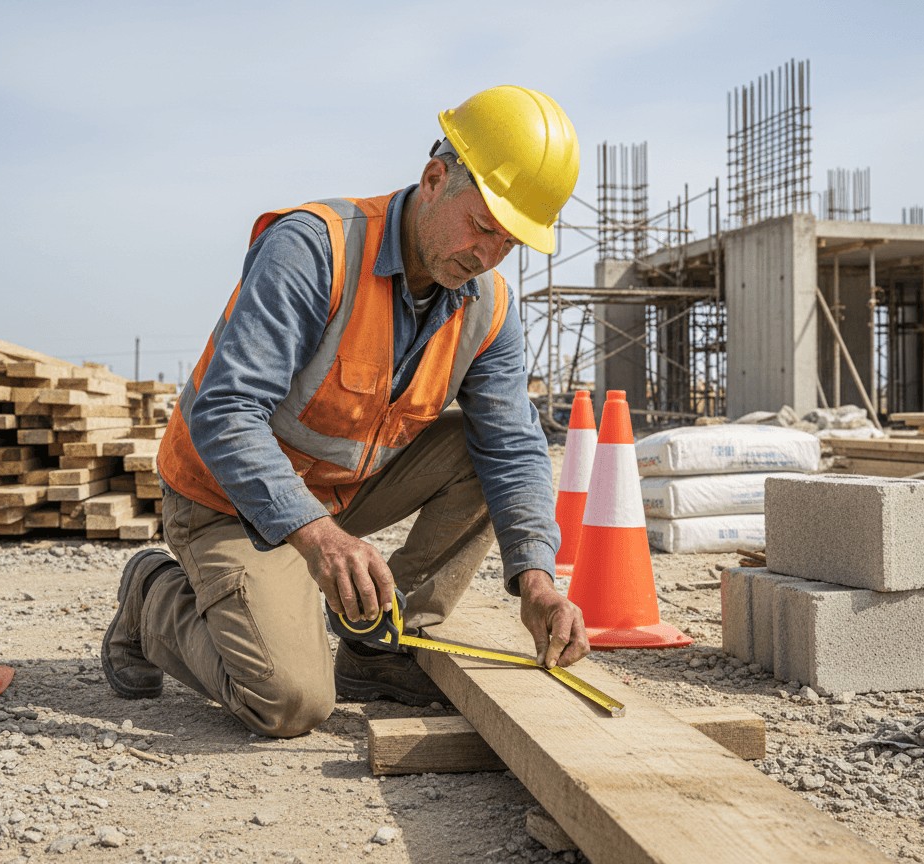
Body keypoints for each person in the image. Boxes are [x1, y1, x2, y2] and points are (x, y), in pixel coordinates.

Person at [101, 85, 588, 738]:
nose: (487, 255)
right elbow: (224, 411)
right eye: (481, 227)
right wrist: (319, 539)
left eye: (509, 243)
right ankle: (152, 596)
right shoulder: (314, 250)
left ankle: (376, 649)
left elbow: (512, 449)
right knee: (290, 701)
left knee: (483, 450)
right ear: (435, 178)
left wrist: (538, 579)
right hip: (226, 499)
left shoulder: (488, 307)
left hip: (336, 496)